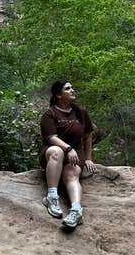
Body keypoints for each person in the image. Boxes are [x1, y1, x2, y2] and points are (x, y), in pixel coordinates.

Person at [39, 80, 96, 228]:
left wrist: (88, 158)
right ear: (58, 95)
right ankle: (52, 197)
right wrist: (68, 149)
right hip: (52, 152)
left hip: (75, 154)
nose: (72, 90)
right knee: (57, 152)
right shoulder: (50, 114)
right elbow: (51, 138)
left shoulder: (81, 112)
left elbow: (88, 135)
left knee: (71, 175)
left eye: (72, 88)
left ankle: (76, 210)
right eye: (68, 88)